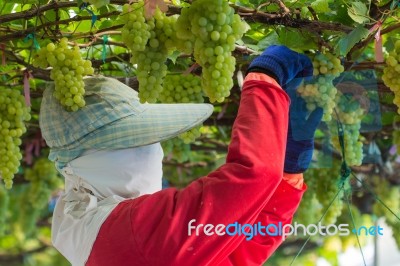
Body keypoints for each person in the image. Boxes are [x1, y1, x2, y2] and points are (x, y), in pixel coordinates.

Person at [39, 45, 323, 266]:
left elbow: (235, 251)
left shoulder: (96, 234)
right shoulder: (126, 235)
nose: (151, 149)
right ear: (84, 160)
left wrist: (286, 175)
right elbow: (252, 178)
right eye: (134, 140)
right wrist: (264, 80)